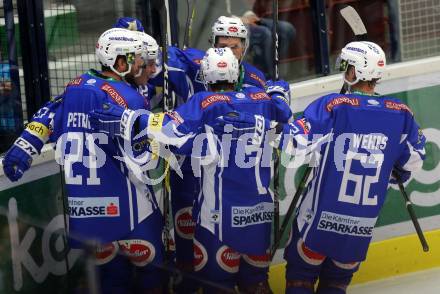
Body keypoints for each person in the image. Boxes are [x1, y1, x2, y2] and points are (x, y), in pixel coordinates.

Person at [217, 41, 426, 294]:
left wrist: (269, 117)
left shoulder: (333, 105)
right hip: (359, 229)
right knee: (335, 285)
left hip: (318, 223)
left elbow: (293, 143)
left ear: (352, 73)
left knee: (301, 278)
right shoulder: (402, 113)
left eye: (346, 67)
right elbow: (412, 161)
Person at [88, 47, 292, 293]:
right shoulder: (263, 99)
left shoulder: (204, 101)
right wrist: (279, 91)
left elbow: (167, 128)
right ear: (237, 73)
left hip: (218, 219)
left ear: (205, 76)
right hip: (259, 216)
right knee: (257, 284)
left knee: (217, 286)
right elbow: (284, 113)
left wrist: (128, 120)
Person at [2, 28, 166, 293]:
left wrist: (24, 147)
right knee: (153, 275)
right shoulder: (130, 96)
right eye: (136, 59)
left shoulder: (74, 87)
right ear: (119, 61)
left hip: (87, 213)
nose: (142, 65)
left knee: (110, 281)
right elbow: (144, 155)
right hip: (130, 208)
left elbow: (45, 117)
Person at [241, 10, 296, 79]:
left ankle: (275, 67)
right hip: (234, 23)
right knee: (265, 34)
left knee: (287, 29)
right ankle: (270, 78)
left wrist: (253, 18)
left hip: (248, 17)